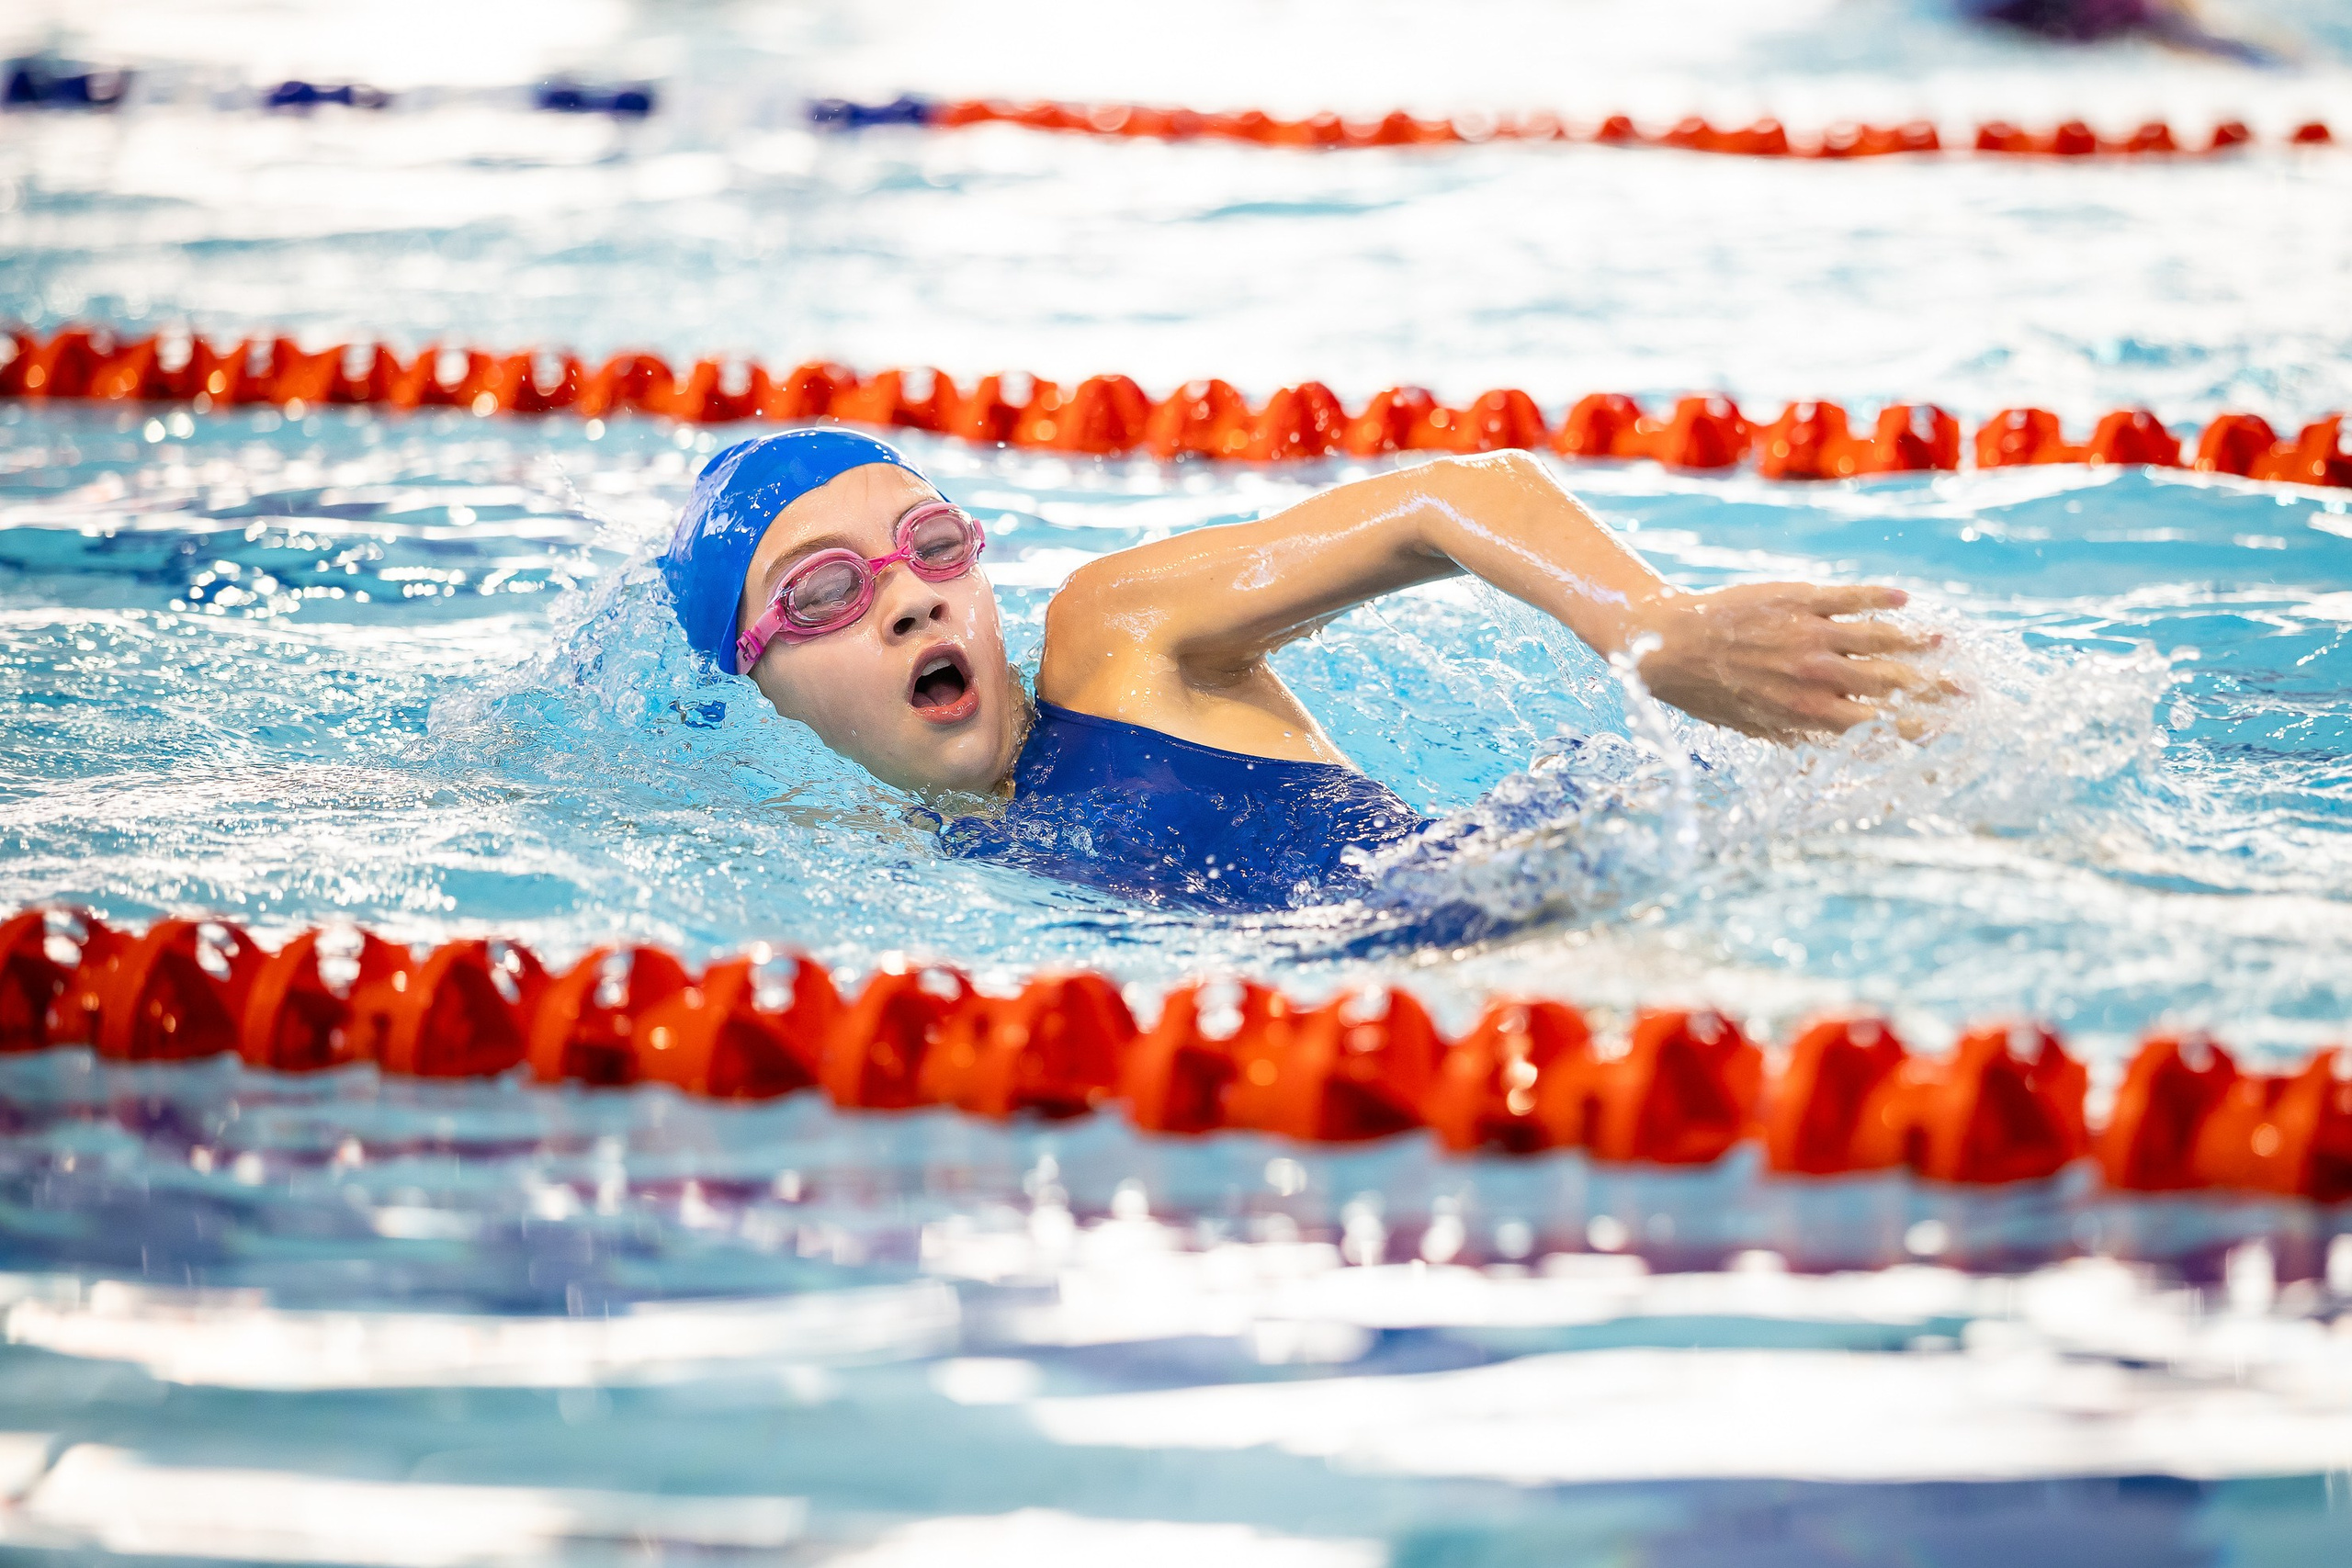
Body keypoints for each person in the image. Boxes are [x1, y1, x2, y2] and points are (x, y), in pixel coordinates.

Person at [660, 429, 1938, 910]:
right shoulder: (886, 854)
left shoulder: (1117, 643)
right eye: (825, 592)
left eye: (931, 546)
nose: (907, 600)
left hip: (1545, 879)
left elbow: (1453, 492)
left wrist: (1658, 631)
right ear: (757, 679)